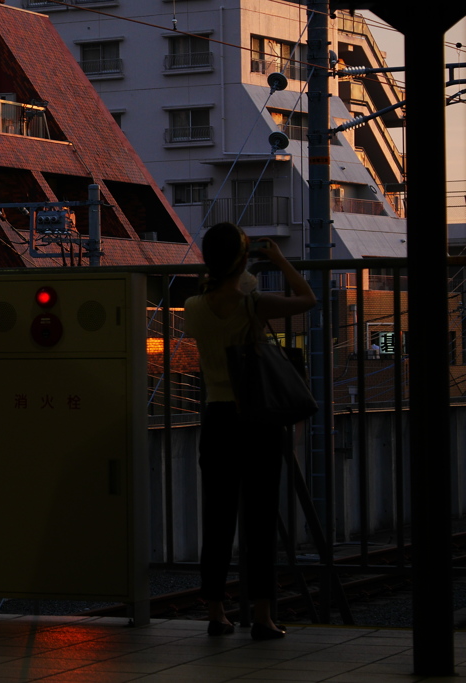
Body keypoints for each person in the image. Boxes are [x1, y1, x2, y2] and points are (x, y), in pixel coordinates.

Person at [183, 222, 316, 640]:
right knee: (259, 517)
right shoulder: (253, 304)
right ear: (243, 261)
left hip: (217, 418)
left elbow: (216, 298)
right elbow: (307, 298)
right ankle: (261, 615)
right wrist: (278, 259)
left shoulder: (193, 306)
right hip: (256, 419)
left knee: (218, 515)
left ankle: (217, 612)